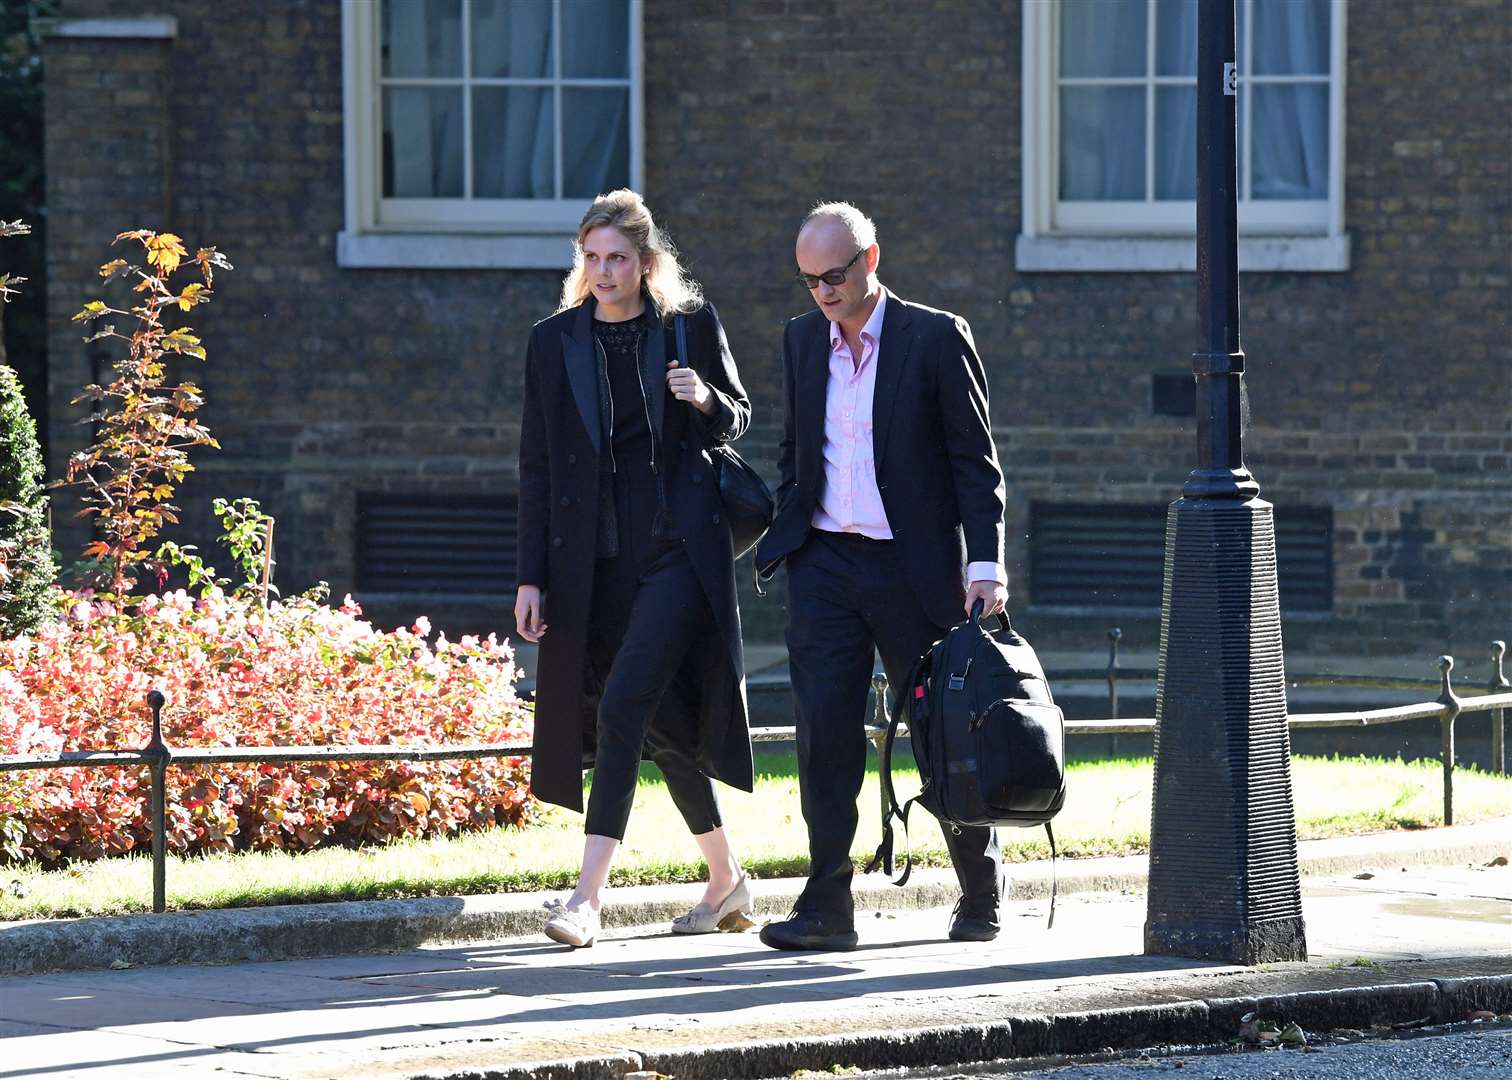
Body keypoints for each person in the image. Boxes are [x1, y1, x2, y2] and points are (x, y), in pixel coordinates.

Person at [754, 202, 1009, 951]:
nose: (822, 293)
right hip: (826, 564)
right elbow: (797, 449)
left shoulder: (934, 336)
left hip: (913, 568)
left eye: (833, 276)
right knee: (823, 737)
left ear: (871, 259)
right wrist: (790, 524)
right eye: (808, 281)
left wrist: (986, 564)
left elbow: (975, 464)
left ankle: (980, 890)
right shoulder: (802, 342)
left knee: (939, 735)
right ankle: (826, 906)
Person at [515, 189, 755, 948]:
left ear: (647, 263)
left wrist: (704, 397)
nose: (604, 271)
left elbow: (740, 415)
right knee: (657, 722)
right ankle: (726, 881)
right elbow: (536, 464)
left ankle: (586, 901)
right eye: (591, 257)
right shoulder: (554, 342)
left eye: (618, 258)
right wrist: (530, 576)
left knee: (620, 710)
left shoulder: (687, 328)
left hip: (678, 554)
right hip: (595, 563)